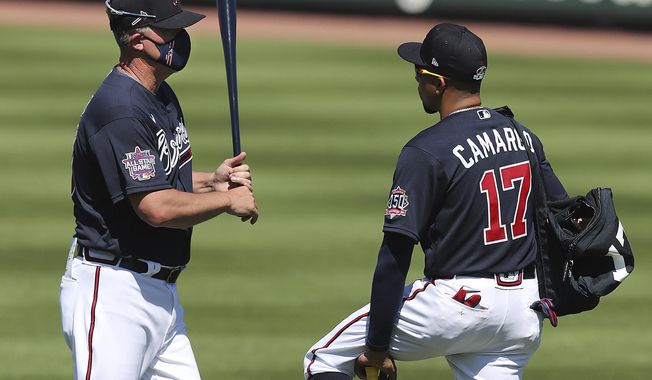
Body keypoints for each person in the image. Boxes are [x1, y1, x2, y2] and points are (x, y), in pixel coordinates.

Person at [303, 23, 568, 380]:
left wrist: (378, 347)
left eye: (419, 73)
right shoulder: (524, 137)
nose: (416, 82)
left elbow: (395, 254)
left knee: (325, 359)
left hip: (457, 304)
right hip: (524, 310)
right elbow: (561, 212)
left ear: (438, 83)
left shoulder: (427, 149)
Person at [59, 0, 259, 379]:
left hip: (160, 296)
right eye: (169, 32)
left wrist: (209, 182)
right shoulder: (119, 110)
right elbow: (155, 206)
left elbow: (158, 175)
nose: (180, 39)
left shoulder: (159, 94)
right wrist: (227, 199)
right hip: (114, 295)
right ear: (137, 39)